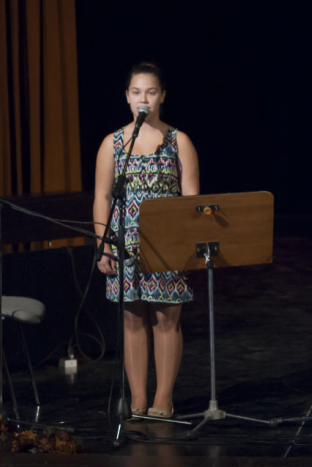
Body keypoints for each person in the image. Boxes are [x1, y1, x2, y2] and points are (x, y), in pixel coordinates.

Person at [93, 62, 199, 419]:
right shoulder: (112, 144)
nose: (143, 99)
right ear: (126, 96)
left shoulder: (178, 141)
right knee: (132, 320)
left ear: (162, 96)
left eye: (151, 92)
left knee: (166, 319)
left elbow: (191, 199)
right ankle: (138, 399)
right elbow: (102, 196)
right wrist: (103, 243)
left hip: (167, 244)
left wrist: (185, 244)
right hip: (124, 245)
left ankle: (163, 398)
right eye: (136, 92)